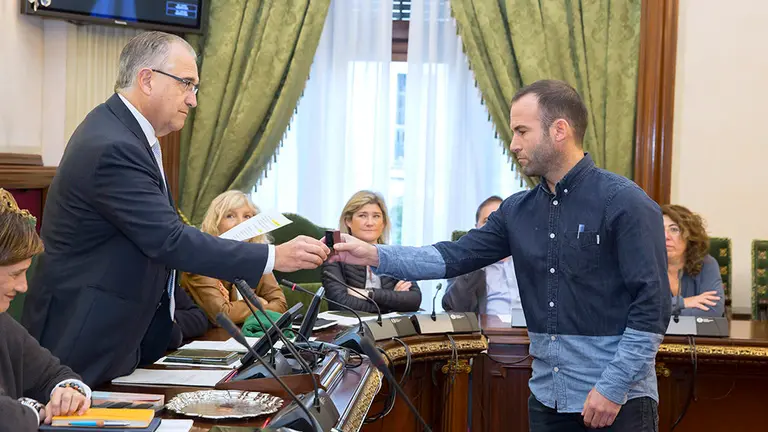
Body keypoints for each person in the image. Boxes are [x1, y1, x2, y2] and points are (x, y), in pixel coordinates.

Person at [331, 80, 670, 431]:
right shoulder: (517, 211)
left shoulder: (626, 202)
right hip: (547, 401)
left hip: (618, 403)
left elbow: (652, 307)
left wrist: (612, 388)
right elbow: (452, 256)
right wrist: (372, 253)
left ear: (560, 130)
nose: (513, 144)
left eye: (522, 131)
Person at [22, 31, 329, 387]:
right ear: (147, 79)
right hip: (84, 338)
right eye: (187, 84)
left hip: (122, 337)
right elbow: (168, 240)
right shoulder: (112, 145)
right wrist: (272, 257)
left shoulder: (127, 135)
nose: (193, 99)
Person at [0, 189, 92, 431]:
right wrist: (35, 410)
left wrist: (69, 390)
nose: (23, 286)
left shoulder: (3, 323)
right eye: (15, 274)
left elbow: (53, 373)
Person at [181, 191, 288, 325]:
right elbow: (223, 316)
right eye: (230, 216)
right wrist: (260, 303)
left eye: (247, 216)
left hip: (246, 337)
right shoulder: (199, 259)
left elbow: (281, 306)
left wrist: (240, 308)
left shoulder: (257, 255)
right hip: (211, 341)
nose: (240, 224)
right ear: (215, 223)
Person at [322, 191, 421, 314]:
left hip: (389, 327)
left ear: (383, 222)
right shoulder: (334, 255)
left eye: (376, 216)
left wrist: (366, 293)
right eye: (363, 215)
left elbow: (414, 300)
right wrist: (394, 300)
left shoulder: (395, 255)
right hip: (350, 328)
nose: (370, 223)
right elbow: (341, 303)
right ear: (348, 221)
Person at [442, 196, 522, 315]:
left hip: (530, 331)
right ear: (477, 228)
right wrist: (475, 261)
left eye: (500, 220)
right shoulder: (464, 261)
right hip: (488, 332)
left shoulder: (530, 258)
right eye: (487, 221)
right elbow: (454, 306)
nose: (494, 227)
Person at [662, 204, 724, 317]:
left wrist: (663, 313)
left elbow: (713, 310)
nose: (666, 236)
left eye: (674, 229)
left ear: (690, 235)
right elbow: (634, 311)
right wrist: (684, 302)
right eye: (659, 229)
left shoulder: (706, 264)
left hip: (696, 334)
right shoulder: (643, 264)